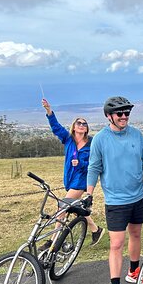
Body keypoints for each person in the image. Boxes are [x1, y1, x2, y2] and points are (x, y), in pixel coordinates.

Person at [86, 96, 143, 284]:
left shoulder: (136, 134)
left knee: (136, 235)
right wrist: (89, 195)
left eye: (127, 113)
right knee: (116, 244)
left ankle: (134, 271)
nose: (124, 117)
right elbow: (94, 168)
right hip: (115, 201)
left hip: (137, 197)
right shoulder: (100, 139)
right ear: (109, 116)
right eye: (120, 114)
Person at [40, 98, 103, 251]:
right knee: (74, 207)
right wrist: (49, 111)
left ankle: (53, 241)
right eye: (79, 123)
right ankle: (96, 230)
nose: (82, 125)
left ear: (87, 128)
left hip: (82, 180)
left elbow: (96, 163)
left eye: (84, 124)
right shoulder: (68, 140)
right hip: (70, 178)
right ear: (74, 127)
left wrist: (81, 163)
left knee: (63, 207)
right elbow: (56, 127)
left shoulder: (92, 143)